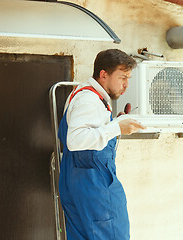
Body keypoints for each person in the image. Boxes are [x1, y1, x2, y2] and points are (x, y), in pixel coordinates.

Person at [58, 49, 145, 240]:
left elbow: (88, 132)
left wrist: (116, 123)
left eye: (128, 78)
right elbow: (75, 140)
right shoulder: (88, 99)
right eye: (122, 77)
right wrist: (116, 128)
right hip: (95, 185)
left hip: (76, 181)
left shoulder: (84, 94)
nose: (126, 85)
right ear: (103, 74)